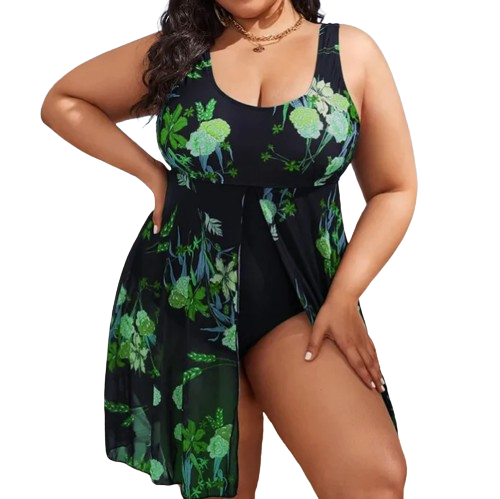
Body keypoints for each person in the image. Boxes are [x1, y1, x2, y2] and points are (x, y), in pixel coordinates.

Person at [41, 1, 416, 498]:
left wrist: (345, 294)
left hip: (300, 300)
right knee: (220, 490)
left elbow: (394, 188)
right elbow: (64, 101)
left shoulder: (351, 51)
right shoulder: (181, 51)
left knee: (372, 478)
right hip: (185, 297)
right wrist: (152, 174)